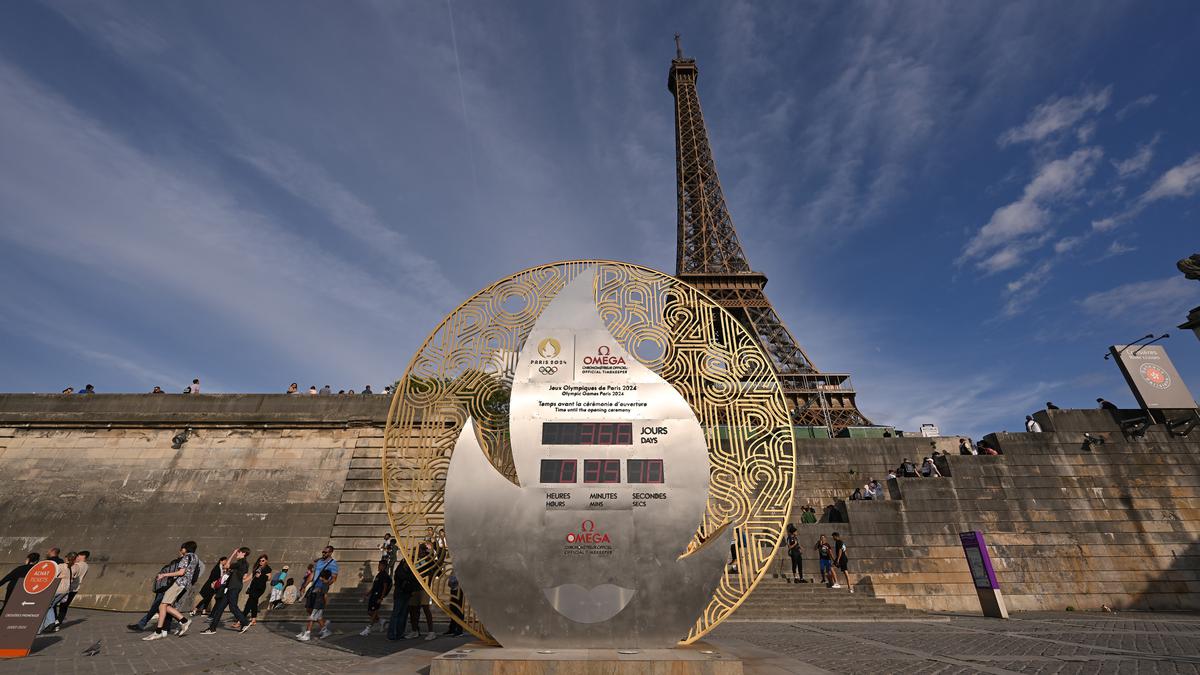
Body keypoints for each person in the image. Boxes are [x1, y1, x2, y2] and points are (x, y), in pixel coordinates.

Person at [142, 541, 199, 640]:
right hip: (185, 584)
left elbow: (181, 572)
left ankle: (161, 630)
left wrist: (164, 575)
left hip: (178, 583)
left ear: (185, 549)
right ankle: (164, 629)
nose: (181, 550)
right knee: (164, 606)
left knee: (162, 605)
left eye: (182, 548)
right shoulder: (195, 557)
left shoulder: (186, 557)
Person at [201, 547, 252, 634]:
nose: (237, 553)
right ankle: (212, 628)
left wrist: (232, 553)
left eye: (238, 552)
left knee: (233, 607)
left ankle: (245, 622)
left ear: (243, 553)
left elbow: (226, 566)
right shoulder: (245, 564)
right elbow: (244, 576)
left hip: (233, 587)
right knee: (220, 608)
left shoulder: (240, 562)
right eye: (237, 552)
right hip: (232, 587)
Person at [407, 544, 436, 640]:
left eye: (419, 551)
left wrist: (428, 583)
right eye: (416, 551)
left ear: (423, 551)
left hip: (424, 587)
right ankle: (414, 630)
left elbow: (431, 572)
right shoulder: (415, 561)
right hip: (414, 587)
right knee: (413, 609)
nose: (417, 552)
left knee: (425, 608)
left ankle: (431, 631)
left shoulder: (428, 560)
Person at [39, 551, 72, 633]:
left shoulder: (60, 566)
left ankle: (48, 625)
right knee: (50, 606)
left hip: (57, 589)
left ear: (66, 558)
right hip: (65, 590)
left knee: (46, 606)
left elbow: (52, 575)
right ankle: (51, 624)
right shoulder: (71, 567)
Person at [297, 568, 333, 641]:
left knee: (312, 618)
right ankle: (325, 630)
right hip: (317, 603)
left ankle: (307, 634)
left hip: (319, 604)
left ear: (324, 577)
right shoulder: (323, 584)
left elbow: (325, 596)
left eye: (321, 577)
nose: (319, 578)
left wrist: (325, 604)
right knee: (317, 618)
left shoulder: (325, 585)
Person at [55, 549, 89, 626]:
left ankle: (56, 622)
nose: (77, 557)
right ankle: (58, 621)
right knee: (64, 605)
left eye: (78, 556)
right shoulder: (86, 566)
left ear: (83, 556)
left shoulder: (77, 565)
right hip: (75, 588)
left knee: (57, 604)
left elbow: (72, 574)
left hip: (69, 587)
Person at [387, 557, 418, 640]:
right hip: (400, 594)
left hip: (407, 593)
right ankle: (392, 634)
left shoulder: (410, 570)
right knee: (396, 613)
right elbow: (404, 577)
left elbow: (414, 579)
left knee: (403, 614)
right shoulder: (400, 570)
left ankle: (400, 633)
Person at [360, 560, 392, 636]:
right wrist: (367, 594)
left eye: (380, 565)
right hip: (373, 595)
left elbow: (385, 587)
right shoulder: (378, 575)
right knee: (369, 612)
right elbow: (374, 586)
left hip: (378, 596)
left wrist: (381, 598)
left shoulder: (384, 575)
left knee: (374, 611)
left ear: (384, 566)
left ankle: (368, 628)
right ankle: (381, 621)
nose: (378, 566)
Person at [242, 554, 272, 625]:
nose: (261, 562)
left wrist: (261, 576)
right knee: (254, 603)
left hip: (259, 588)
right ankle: (253, 619)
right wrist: (243, 580)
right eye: (260, 560)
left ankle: (241, 619)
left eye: (263, 560)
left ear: (266, 561)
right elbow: (252, 575)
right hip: (253, 587)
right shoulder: (257, 567)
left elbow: (269, 578)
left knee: (249, 602)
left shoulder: (267, 568)